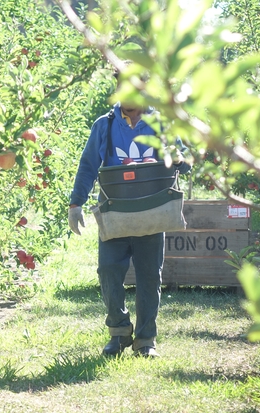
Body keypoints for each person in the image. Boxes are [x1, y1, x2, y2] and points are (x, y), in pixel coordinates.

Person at [68, 91, 191, 358]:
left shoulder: (161, 125)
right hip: (116, 214)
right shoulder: (106, 124)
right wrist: (75, 204)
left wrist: (179, 158)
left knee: (149, 276)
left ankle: (146, 340)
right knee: (109, 270)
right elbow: (88, 165)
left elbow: (186, 163)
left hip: (152, 211)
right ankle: (119, 332)